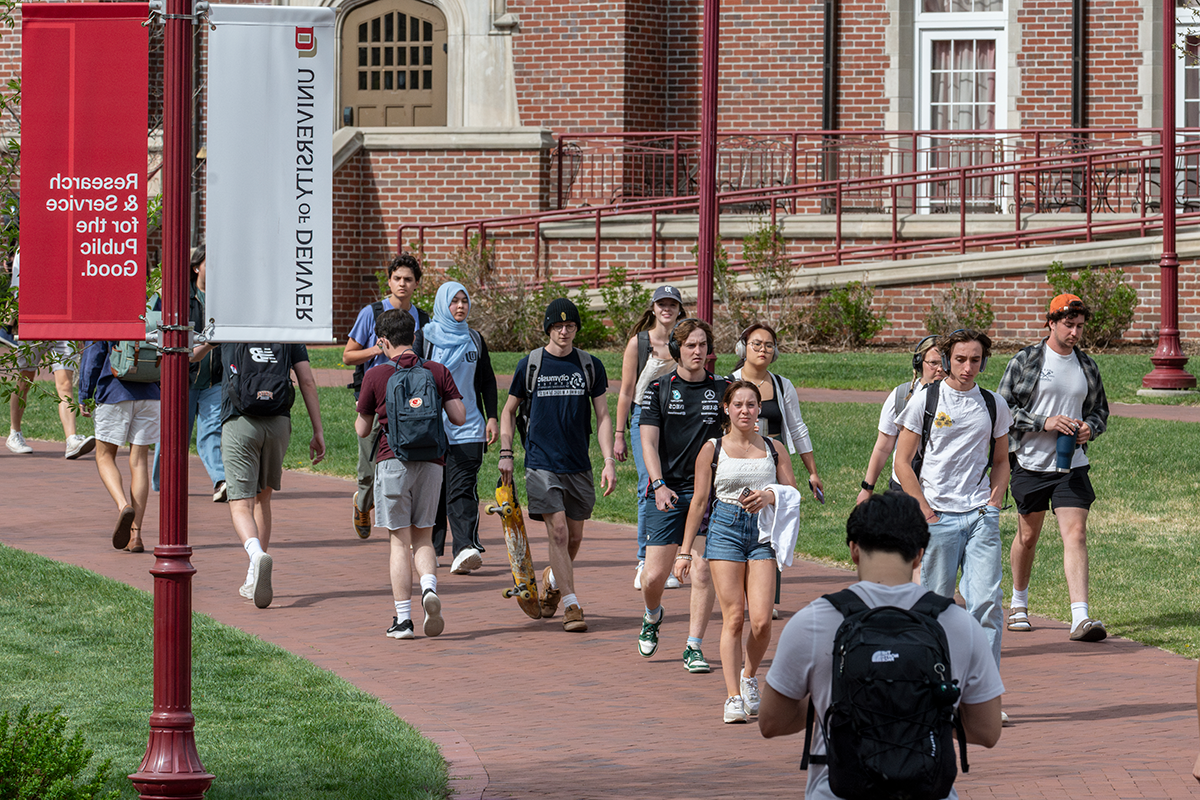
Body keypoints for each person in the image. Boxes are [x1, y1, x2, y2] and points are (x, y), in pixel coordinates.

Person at [759, 491, 1004, 800]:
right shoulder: (959, 624)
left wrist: (838, 700)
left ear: (854, 550)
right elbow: (987, 730)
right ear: (919, 554)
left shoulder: (812, 622)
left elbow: (771, 722)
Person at [674, 380, 796, 723]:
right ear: (726, 408)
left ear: (759, 409)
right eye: (738, 404)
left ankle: (749, 677)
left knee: (760, 621)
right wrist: (684, 552)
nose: (745, 410)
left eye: (752, 405)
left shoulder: (774, 448)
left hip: (761, 533)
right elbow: (699, 502)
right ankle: (732, 697)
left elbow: (792, 492)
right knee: (734, 618)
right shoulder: (712, 449)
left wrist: (770, 496)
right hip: (725, 529)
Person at [893, 328, 1013, 669]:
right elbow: (902, 463)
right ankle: (936, 688)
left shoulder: (994, 404)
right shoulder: (925, 401)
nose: (967, 367)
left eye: (975, 360)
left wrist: (993, 503)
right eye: (960, 359)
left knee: (987, 604)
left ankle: (983, 695)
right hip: (937, 518)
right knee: (935, 607)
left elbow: (1002, 460)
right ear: (947, 360)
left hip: (979, 517)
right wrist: (925, 510)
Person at [498, 298, 616, 633]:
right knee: (559, 531)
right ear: (548, 329)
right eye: (557, 326)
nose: (564, 332)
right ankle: (572, 605)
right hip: (540, 461)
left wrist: (608, 460)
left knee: (575, 537)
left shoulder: (590, 365)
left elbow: (603, 416)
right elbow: (508, 411)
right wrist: (506, 452)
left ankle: (552, 580)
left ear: (577, 328)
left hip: (578, 463)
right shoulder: (531, 364)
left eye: (570, 326)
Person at [998, 293, 1110, 642]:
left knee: (1075, 534)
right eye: (1069, 325)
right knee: (1028, 536)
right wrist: (1043, 422)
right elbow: (1001, 408)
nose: (1075, 333)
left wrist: (1091, 427)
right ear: (1051, 322)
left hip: (1072, 464)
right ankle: (1018, 603)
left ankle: (1081, 618)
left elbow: (1101, 410)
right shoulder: (1027, 360)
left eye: (1079, 327)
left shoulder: (1087, 365)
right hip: (1031, 464)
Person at [357, 309, 465, 639]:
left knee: (398, 542)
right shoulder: (436, 371)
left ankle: (403, 620)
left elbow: (362, 430)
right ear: (415, 336)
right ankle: (429, 589)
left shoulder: (376, 376)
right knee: (424, 535)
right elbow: (459, 416)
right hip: (432, 462)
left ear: (383, 341)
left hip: (393, 462)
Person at [636, 318, 725, 672]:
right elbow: (648, 441)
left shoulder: (723, 390)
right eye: (690, 345)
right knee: (653, 578)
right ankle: (652, 615)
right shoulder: (658, 388)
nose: (697, 351)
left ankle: (693, 646)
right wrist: (658, 485)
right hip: (667, 491)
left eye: (703, 345)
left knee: (702, 571)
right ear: (677, 349)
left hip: (711, 495)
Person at [209, 339, 325, 608]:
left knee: (239, 503)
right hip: (278, 420)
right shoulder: (285, 329)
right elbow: (306, 381)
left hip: (240, 419)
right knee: (263, 499)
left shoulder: (231, 326)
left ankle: (255, 553)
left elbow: (192, 356)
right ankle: (253, 576)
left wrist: (207, 335)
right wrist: (318, 431)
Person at [413, 281, 498, 575]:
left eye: (464, 301)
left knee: (462, 488)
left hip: (469, 426)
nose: (460, 306)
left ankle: (464, 548)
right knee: (433, 489)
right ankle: (430, 549)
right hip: (432, 428)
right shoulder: (424, 339)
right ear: (442, 304)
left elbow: (487, 380)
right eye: (454, 301)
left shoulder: (474, 339)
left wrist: (492, 417)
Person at [343, 253, 430, 539]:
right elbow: (348, 356)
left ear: (416, 284)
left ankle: (402, 526)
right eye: (397, 279)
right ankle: (362, 502)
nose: (402, 284)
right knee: (369, 471)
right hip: (375, 401)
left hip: (410, 404)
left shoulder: (422, 319)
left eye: (408, 279)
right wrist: (376, 350)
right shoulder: (372, 313)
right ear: (389, 281)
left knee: (405, 466)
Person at [613, 284, 687, 591]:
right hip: (644, 418)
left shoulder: (685, 341)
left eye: (672, 304)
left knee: (677, 485)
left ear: (680, 309)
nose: (666, 309)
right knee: (650, 485)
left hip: (678, 419)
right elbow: (627, 391)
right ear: (653, 308)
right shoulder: (639, 343)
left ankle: (667, 560)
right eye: (661, 304)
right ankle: (645, 560)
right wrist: (619, 434)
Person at [151, 245, 226, 501]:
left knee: (212, 433)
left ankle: (221, 481)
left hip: (215, 380)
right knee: (174, 433)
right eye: (209, 263)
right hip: (184, 378)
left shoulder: (222, 300)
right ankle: (162, 483)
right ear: (196, 268)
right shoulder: (181, 299)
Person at [5, 250, 93, 459]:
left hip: (64, 322)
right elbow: (17, 286)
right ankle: (14, 433)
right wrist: (15, 318)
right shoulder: (25, 249)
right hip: (35, 319)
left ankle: (71, 440)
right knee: (25, 380)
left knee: (65, 384)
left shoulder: (69, 244)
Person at [77, 339, 160, 552]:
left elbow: (94, 354)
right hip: (150, 393)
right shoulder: (152, 307)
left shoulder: (106, 313)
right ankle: (136, 536)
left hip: (114, 391)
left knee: (104, 456)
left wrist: (85, 393)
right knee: (139, 461)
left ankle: (124, 505)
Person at [856, 334, 945, 503]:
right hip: (903, 485)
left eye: (944, 363)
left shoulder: (960, 399)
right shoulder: (901, 396)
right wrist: (867, 488)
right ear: (919, 363)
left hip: (942, 487)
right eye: (933, 363)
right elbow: (883, 447)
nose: (940, 369)